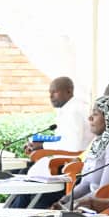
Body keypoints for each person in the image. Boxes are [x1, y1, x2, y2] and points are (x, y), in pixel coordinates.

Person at [9, 77, 94, 209]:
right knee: (21, 173)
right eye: (49, 92)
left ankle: (15, 214)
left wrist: (42, 146)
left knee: (25, 175)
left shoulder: (74, 111)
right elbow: (62, 139)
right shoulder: (69, 108)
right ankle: (13, 212)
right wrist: (39, 142)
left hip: (70, 166)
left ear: (68, 91)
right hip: (64, 161)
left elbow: (73, 146)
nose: (50, 96)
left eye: (54, 92)